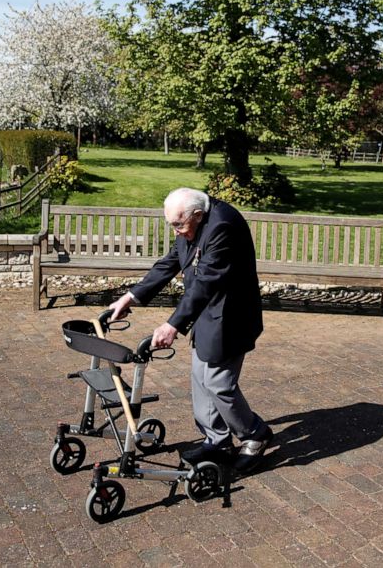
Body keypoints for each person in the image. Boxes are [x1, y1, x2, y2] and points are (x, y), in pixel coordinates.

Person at [108, 187, 273, 473]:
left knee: (219, 384)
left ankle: (255, 435)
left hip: (231, 316)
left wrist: (173, 324)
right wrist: (131, 297)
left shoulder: (222, 225)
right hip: (207, 313)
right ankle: (217, 440)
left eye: (178, 225)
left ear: (198, 215)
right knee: (200, 378)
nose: (176, 232)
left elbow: (207, 282)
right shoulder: (192, 224)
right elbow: (171, 263)